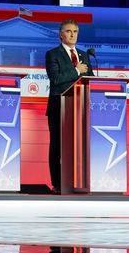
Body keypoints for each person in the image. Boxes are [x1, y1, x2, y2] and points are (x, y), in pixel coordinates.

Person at [45, 19, 92, 194]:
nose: (72, 34)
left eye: (75, 31)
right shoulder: (53, 54)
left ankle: (78, 182)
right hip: (59, 106)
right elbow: (55, 79)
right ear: (60, 34)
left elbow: (91, 79)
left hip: (80, 106)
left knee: (79, 145)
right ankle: (57, 183)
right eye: (68, 31)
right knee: (57, 145)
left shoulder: (84, 55)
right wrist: (77, 70)